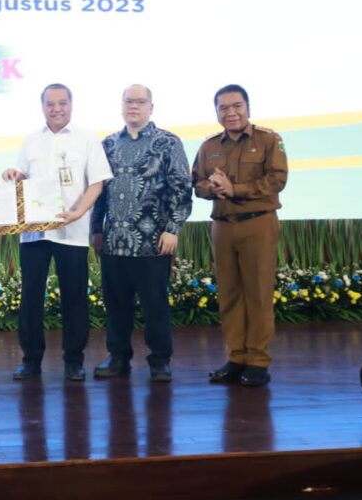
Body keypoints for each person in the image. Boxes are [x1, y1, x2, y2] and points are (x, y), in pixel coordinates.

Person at [3, 83, 113, 381]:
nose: (56, 109)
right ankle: (30, 360)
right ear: (42, 107)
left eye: (62, 103)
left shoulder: (86, 139)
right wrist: (14, 176)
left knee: (75, 297)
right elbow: (23, 179)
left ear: (71, 105)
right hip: (35, 233)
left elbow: (98, 183)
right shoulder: (31, 141)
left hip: (72, 231)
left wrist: (79, 213)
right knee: (31, 297)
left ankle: (74, 360)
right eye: (50, 104)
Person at [90, 84, 192, 382]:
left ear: (151, 106)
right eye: (128, 101)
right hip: (114, 243)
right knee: (116, 306)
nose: (133, 106)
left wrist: (173, 228)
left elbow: (182, 188)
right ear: (121, 106)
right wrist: (97, 228)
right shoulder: (107, 144)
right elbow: (98, 191)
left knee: (155, 306)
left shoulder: (167, 143)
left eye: (140, 101)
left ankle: (160, 360)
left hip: (153, 243)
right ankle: (117, 357)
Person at [192, 84, 288, 387]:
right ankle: (236, 357)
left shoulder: (269, 139)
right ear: (216, 112)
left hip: (257, 223)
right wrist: (213, 187)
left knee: (258, 294)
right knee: (230, 294)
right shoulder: (209, 146)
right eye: (223, 108)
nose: (230, 113)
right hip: (223, 225)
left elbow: (277, 179)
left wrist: (236, 189)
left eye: (236, 106)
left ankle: (258, 361)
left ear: (248, 107)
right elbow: (196, 184)